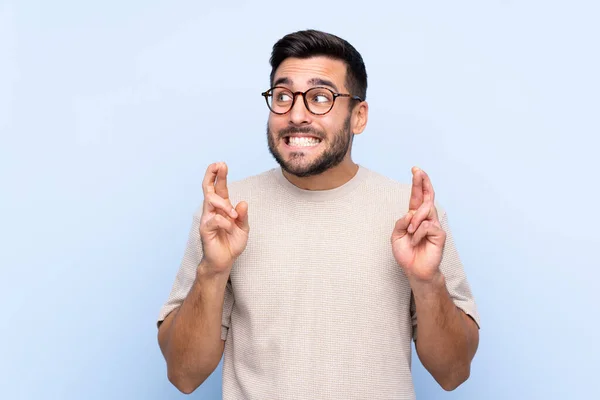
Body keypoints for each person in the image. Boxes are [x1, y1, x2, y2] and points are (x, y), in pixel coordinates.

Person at [156, 29, 480, 399]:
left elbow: (453, 373)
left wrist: (427, 281)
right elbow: (183, 375)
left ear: (358, 116)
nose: (296, 115)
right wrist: (212, 271)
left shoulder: (414, 215)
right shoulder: (225, 215)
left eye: (319, 98)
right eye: (282, 96)